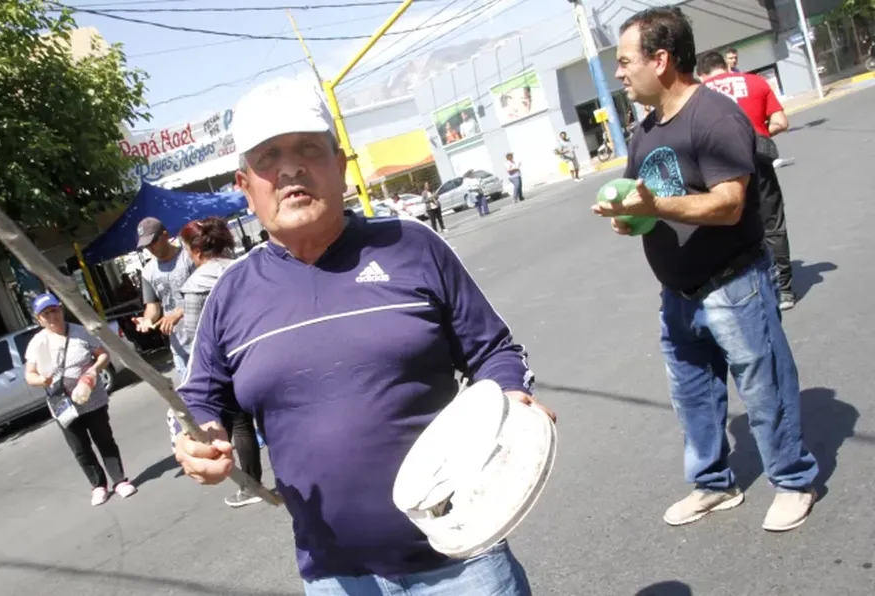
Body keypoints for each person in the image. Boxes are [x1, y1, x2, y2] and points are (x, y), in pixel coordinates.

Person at [173, 77, 555, 595]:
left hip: (462, 557)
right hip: (334, 575)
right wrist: (201, 438)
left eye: (309, 148)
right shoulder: (230, 295)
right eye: (268, 158)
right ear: (245, 186)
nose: (290, 169)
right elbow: (198, 397)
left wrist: (512, 401)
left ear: (341, 165)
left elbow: (494, 351)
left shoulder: (412, 246)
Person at [594, 6, 817, 532]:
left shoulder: (714, 116)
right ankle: (714, 485)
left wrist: (652, 209)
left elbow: (728, 205)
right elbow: (644, 198)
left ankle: (792, 479)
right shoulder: (645, 129)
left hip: (734, 283)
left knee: (764, 386)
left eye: (626, 62)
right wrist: (629, 219)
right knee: (692, 394)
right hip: (678, 292)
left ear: (662, 59)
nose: (620, 73)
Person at [170, 217, 264, 509]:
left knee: (239, 424)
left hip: (225, 365)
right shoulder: (249, 268)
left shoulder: (195, 285)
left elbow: (197, 340)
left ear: (194, 251)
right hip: (261, 354)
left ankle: (250, 485)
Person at [698, 51, 796, 310]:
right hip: (758, 160)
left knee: (731, 227)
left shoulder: (697, 94)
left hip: (719, 168)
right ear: (725, 66)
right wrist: (758, 131)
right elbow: (780, 122)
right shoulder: (755, 82)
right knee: (773, 223)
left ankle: (747, 291)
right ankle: (784, 291)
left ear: (702, 74)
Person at [24, 293, 137, 506]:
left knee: (104, 440)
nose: (52, 317)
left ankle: (120, 481)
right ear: (39, 319)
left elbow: (103, 355)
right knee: (80, 448)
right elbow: (29, 375)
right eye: (45, 314)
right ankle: (98, 486)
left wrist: (93, 371)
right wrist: (41, 380)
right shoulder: (37, 343)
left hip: (92, 399)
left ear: (61, 309)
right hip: (63, 405)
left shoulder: (80, 332)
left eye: (54, 311)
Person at [132, 217, 195, 379]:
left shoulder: (189, 257)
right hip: (180, 347)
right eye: (146, 245)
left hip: (204, 339)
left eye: (153, 241)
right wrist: (147, 320)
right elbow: (152, 306)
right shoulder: (148, 272)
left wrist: (178, 313)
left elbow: (204, 294)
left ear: (165, 235)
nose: (150, 248)